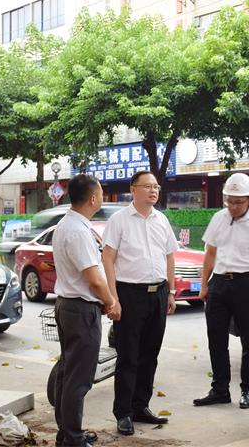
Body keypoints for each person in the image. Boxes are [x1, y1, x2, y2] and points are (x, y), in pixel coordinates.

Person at [102, 170, 178, 436]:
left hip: (158, 294)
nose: (153, 191)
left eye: (156, 186)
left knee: (150, 355)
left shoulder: (161, 220)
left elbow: (169, 256)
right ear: (133, 189)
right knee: (128, 357)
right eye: (148, 186)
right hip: (129, 294)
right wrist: (113, 298)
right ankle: (123, 412)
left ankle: (140, 406)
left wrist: (171, 292)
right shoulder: (119, 220)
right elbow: (108, 258)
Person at [193, 173, 249, 410]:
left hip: (246, 283)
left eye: (238, 202)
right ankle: (220, 389)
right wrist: (205, 284)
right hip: (219, 283)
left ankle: (248, 390)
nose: (233, 206)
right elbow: (210, 252)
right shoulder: (219, 218)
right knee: (216, 339)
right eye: (229, 201)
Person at [52, 174, 118, 447]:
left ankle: (67, 432)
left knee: (68, 373)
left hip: (69, 306)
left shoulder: (67, 224)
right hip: (80, 310)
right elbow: (94, 279)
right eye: (101, 193)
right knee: (78, 379)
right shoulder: (78, 231)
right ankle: (73, 438)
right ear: (92, 198)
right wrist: (110, 301)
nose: (102, 197)